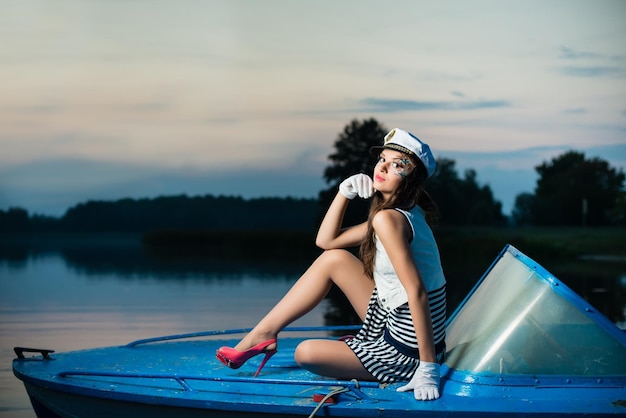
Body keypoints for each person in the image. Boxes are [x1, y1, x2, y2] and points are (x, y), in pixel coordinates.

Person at [216, 128, 447, 401]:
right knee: (334, 259)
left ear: (412, 179)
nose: (382, 167)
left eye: (397, 165)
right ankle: (263, 334)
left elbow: (416, 292)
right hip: (397, 321)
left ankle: (264, 337)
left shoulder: (389, 220)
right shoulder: (403, 212)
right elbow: (327, 241)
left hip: (406, 349)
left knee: (306, 353)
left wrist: (427, 367)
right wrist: (344, 193)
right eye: (382, 159)